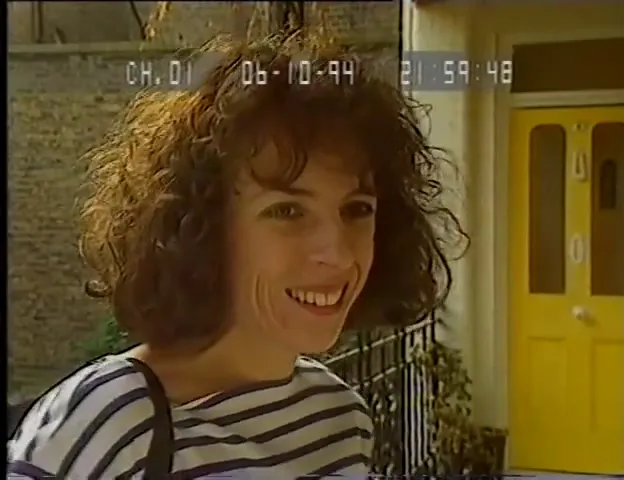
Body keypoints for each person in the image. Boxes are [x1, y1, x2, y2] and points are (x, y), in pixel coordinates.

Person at [8, 32, 465, 478]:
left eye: (357, 209)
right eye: (287, 211)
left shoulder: (342, 419)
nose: (339, 255)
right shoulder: (109, 424)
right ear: (201, 227)